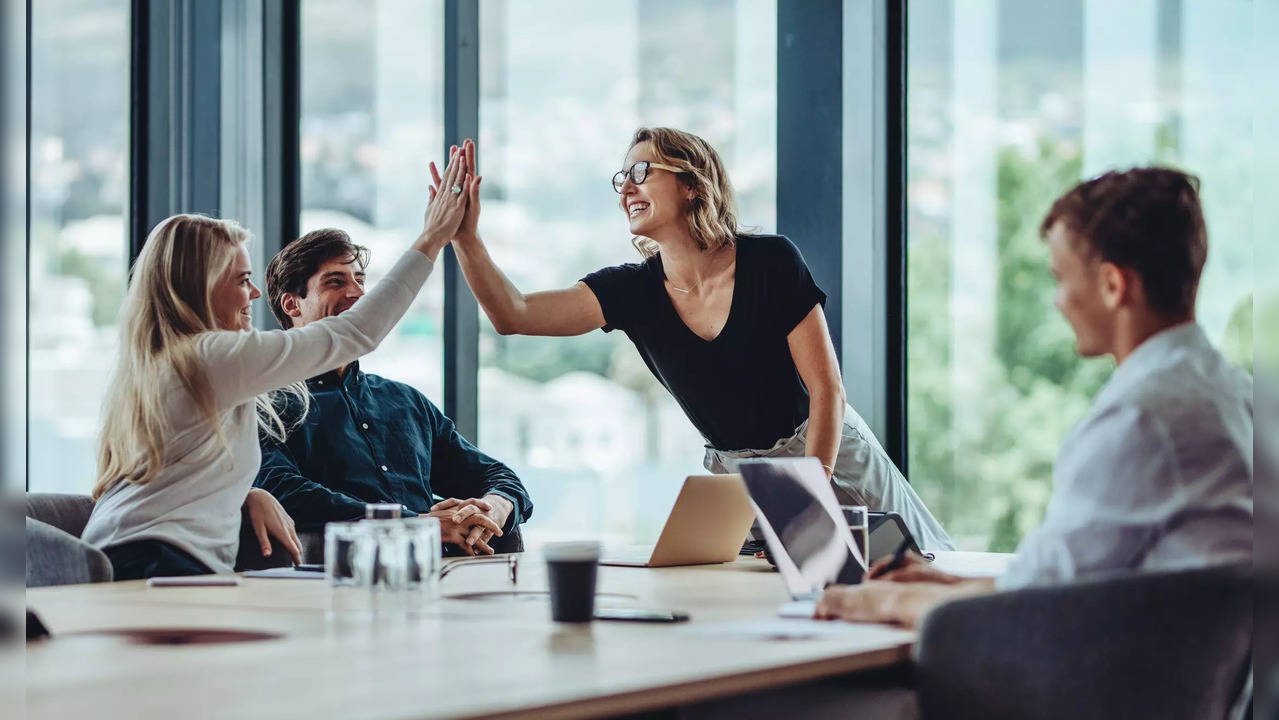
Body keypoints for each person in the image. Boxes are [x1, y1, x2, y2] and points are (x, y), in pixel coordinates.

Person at [431, 129, 953, 552]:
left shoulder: (770, 261)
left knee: (926, 574)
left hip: (825, 450)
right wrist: (466, 238)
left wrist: (808, 492)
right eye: (622, 178)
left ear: (692, 184)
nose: (626, 188)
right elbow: (513, 314)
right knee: (782, 607)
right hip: (738, 477)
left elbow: (827, 391)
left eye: (642, 172)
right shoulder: (630, 290)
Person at [816, 167, 1253, 627]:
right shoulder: (1234, 394)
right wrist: (944, 584)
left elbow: (1035, 609)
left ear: (1112, 285)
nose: (1058, 301)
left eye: (1062, 279)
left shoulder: (1142, 417)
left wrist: (878, 603)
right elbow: (1061, 580)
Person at [79, 149, 475, 580]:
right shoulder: (207, 357)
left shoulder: (167, 362)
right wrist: (432, 239)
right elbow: (356, 333)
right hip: (154, 563)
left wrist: (246, 494)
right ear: (199, 286)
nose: (254, 295)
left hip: (130, 555)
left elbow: (177, 472)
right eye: (241, 280)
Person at [253, 228, 533, 556]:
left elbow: (496, 475)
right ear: (292, 305)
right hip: (339, 581)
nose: (358, 293)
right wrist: (415, 524)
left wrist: (493, 507)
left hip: (441, 578)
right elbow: (283, 490)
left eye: (359, 280)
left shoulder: (405, 401)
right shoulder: (265, 405)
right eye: (335, 281)